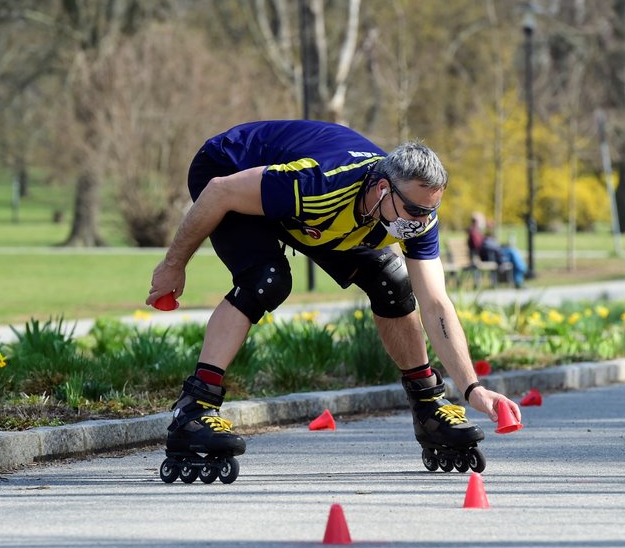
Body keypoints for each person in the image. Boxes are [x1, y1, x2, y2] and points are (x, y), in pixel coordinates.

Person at [147, 120, 522, 479]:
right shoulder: (318, 182)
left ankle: (429, 407)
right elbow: (218, 190)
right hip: (229, 168)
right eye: (413, 212)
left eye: (430, 213)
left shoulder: (413, 212)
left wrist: (472, 389)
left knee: (393, 282)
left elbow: (436, 304)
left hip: (314, 216)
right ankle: (193, 411)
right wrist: (173, 264)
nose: (419, 224)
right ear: (381, 189)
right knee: (266, 280)